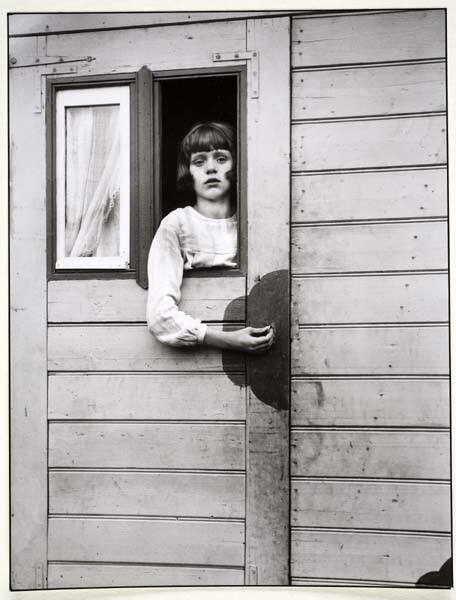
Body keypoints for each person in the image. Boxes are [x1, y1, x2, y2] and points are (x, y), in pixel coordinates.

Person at [147, 121, 274, 353]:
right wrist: (227, 340)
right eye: (199, 161)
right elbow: (159, 316)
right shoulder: (176, 224)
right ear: (189, 170)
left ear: (237, 165)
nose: (211, 168)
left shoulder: (256, 221)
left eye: (221, 158)